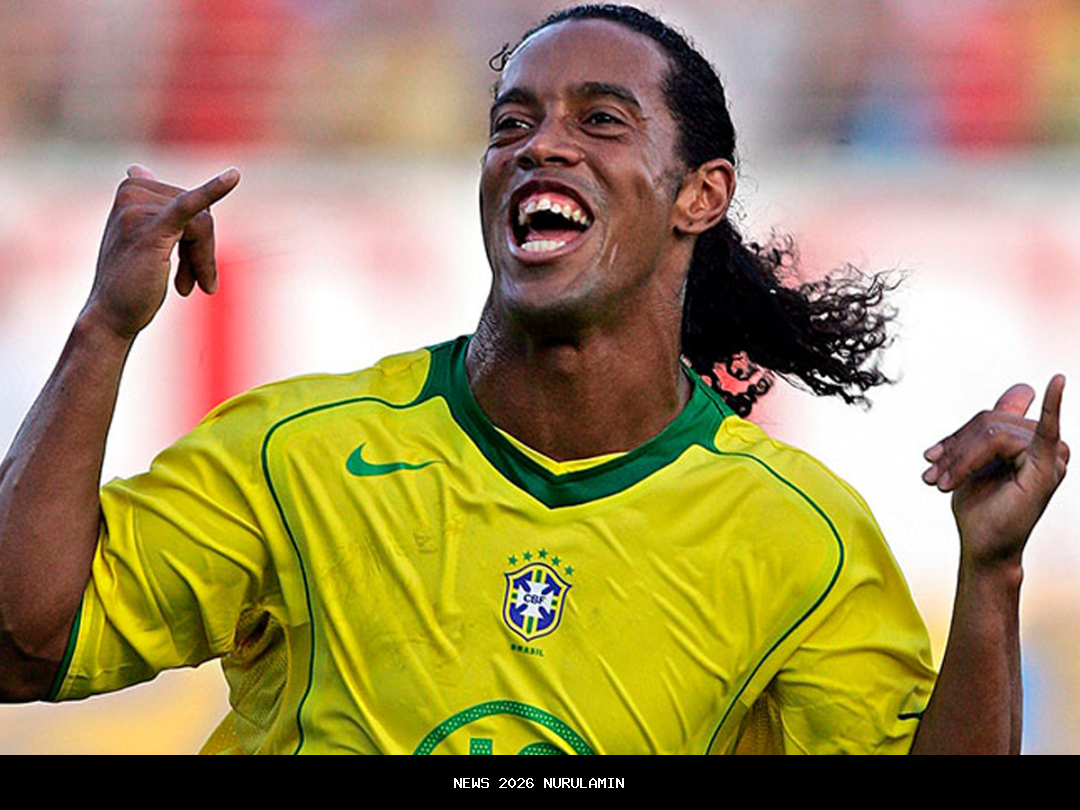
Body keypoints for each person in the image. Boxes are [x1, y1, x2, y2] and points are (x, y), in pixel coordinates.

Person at [0, 4, 1069, 754]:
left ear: (701, 195)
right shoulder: (297, 452)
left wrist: (991, 578)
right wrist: (104, 327)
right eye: (511, 122)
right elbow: (22, 648)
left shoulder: (798, 535)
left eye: (599, 120)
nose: (538, 146)